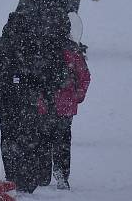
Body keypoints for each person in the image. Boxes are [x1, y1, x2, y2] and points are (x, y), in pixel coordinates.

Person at [0, 5, 68, 194]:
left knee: (9, 138)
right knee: (30, 139)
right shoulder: (34, 45)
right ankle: (28, 180)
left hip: (7, 100)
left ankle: (12, 176)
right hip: (30, 101)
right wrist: (47, 96)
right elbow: (46, 74)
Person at [38, 35, 90, 190]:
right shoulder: (73, 50)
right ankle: (62, 173)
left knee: (43, 139)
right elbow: (84, 76)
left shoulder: (41, 46)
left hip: (45, 103)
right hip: (65, 103)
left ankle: (43, 174)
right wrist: (78, 96)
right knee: (63, 140)